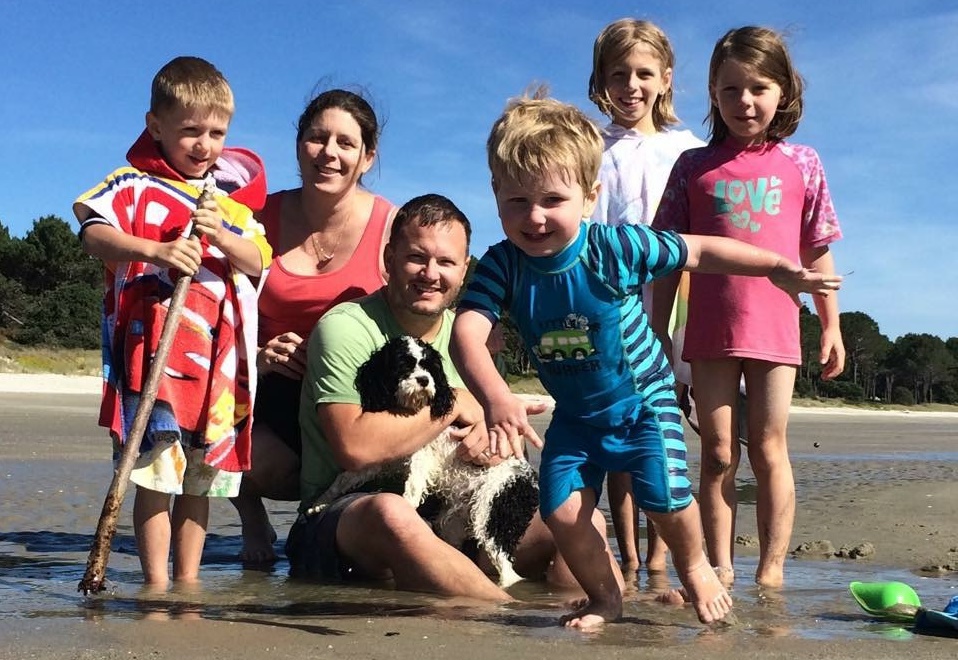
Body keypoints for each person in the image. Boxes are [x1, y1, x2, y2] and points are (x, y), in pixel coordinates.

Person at [449, 92, 842, 628]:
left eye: (552, 200)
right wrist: (496, 395)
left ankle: (696, 566)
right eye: (517, 201)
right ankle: (606, 596)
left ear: (589, 198)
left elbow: (699, 250)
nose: (535, 218)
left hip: (642, 402)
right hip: (577, 415)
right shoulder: (503, 265)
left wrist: (775, 266)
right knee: (561, 512)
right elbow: (466, 332)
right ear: (495, 194)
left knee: (665, 498)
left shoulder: (614, 247)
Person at [286, 193, 611, 601]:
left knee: (582, 519)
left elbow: (512, 453)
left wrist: (492, 446)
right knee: (392, 512)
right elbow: (355, 447)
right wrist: (453, 402)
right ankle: (508, 618)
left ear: (463, 272)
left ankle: (602, 620)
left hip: (455, 510)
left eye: (445, 263)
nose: (430, 274)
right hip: (343, 519)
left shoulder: (472, 337)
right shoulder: (346, 326)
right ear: (388, 258)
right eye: (417, 257)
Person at [651, 26, 846, 590]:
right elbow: (669, 257)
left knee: (767, 447)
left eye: (759, 87)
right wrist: (660, 332)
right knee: (714, 454)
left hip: (776, 327)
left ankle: (772, 570)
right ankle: (720, 565)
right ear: (713, 92)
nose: (745, 101)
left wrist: (830, 326)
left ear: (783, 91)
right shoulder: (693, 165)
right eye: (731, 89)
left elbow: (818, 251)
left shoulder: (802, 163)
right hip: (710, 329)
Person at [73, 56, 271, 587]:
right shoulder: (130, 184)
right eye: (189, 131)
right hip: (152, 361)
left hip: (216, 370)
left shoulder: (229, 204)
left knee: (200, 482)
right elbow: (91, 231)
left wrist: (225, 235)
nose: (204, 145)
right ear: (155, 126)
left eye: (216, 133)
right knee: (157, 475)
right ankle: (156, 583)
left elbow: (260, 261)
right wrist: (155, 250)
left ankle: (187, 581)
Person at [230, 89, 395, 563]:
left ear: (367, 157)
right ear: (299, 144)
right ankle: (253, 522)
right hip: (273, 392)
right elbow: (217, 310)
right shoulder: (257, 219)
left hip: (360, 396)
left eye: (346, 143)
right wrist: (257, 358)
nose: (329, 153)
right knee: (218, 428)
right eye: (317, 138)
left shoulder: (390, 225)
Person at [588, 17, 705, 575]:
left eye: (642, 74)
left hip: (674, 298)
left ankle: (662, 555)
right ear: (601, 80)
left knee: (663, 424)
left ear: (665, 79)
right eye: (618, 74)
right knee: (617, 424)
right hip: (608, 301)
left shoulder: (688, 150)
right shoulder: (590, 145)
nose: (630, 87)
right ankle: (628, 555)